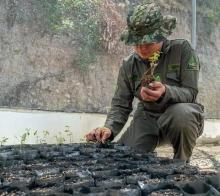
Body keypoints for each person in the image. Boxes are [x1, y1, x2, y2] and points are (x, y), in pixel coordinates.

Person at [85, 2, 204, 161]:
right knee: (124, 158)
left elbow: (191, 92)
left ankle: (181, 165)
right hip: (147, 117)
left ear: (161, 35)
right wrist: (109, 128)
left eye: (147, 43)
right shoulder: (129, 65)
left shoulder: (182, 50)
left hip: (181, 117)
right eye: (136, 43)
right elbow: (121, 104)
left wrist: (165, 92)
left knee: (181, 114)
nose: (142, 49)